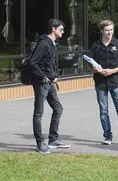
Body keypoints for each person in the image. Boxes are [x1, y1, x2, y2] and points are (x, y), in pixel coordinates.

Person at [29, 19, 71, 154]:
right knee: (38, 112)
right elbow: (33, 62)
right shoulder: (43, 43)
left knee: (58, 108)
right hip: (41, 83)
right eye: (61, 29)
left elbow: (50, 63)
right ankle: (40, 143)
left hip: (50, 82)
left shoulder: (53, 43)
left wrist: (54, 75)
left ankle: (53, 139)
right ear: (53, 29)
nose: (63, 32)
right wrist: (44, 76)